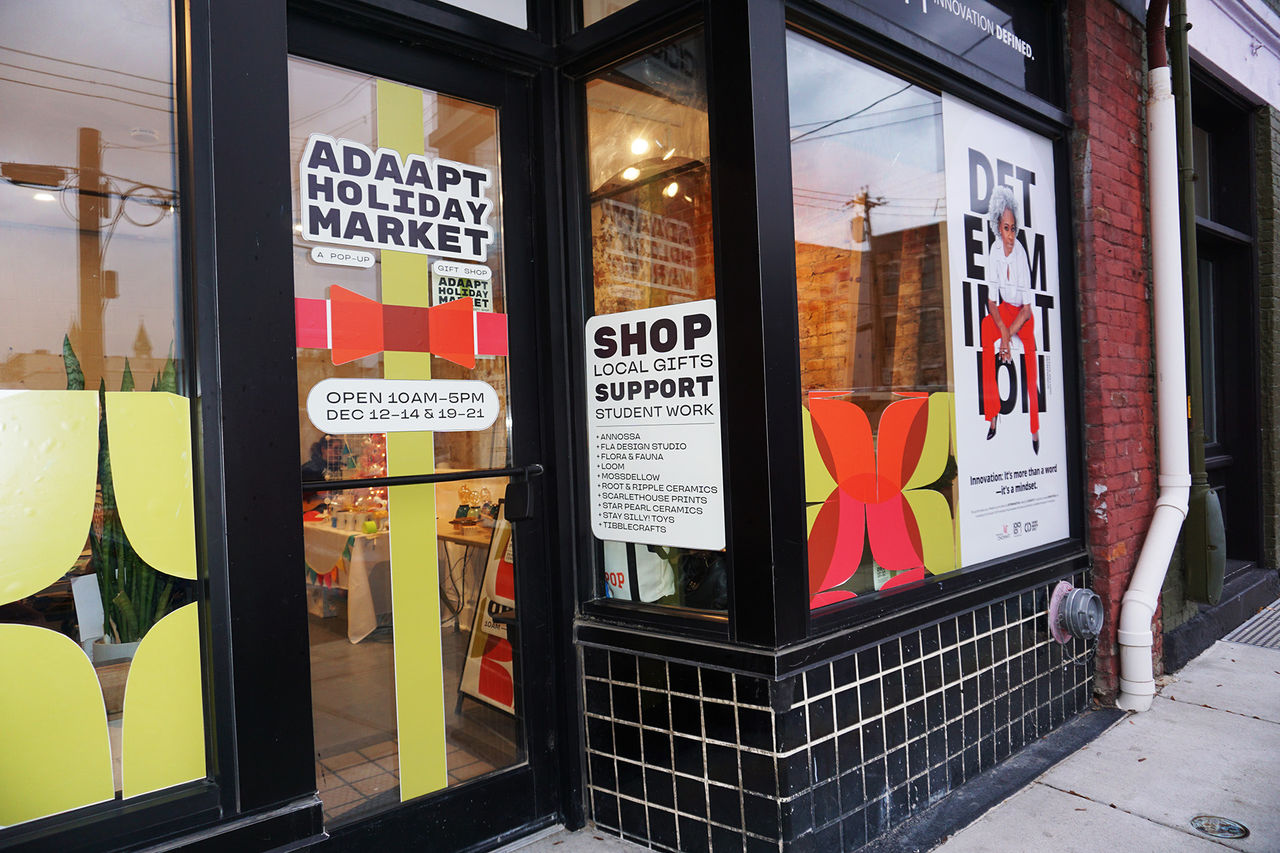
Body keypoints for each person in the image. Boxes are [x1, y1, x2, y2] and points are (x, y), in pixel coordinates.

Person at [980, 184, 1040, 454]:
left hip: (1022, 315)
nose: (1011, 234)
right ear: (998, 227)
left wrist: (1006, 336)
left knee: (1030, 355)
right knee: (984, 328)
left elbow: (1027, 309)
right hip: (1003, 310)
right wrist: (1003, 334)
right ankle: (992, 414)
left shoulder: (1021, 254)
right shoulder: (993, 252)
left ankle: (1035, 428)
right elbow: (991, 301)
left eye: (1014, 228)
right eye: (1006, 228)